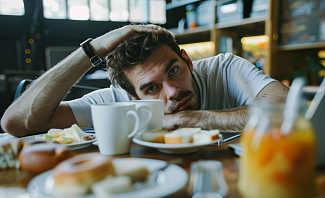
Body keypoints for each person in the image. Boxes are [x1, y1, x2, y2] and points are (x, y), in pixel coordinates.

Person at [1, 24, 288, 137]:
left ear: (187, 60)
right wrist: (91, 50)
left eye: (174, 70)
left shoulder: (226, 68)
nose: (173, 91)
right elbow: (16, 122)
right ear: (134, 98)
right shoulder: (116, 102)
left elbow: (288, 112)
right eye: (152, 88)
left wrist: (186, 119)